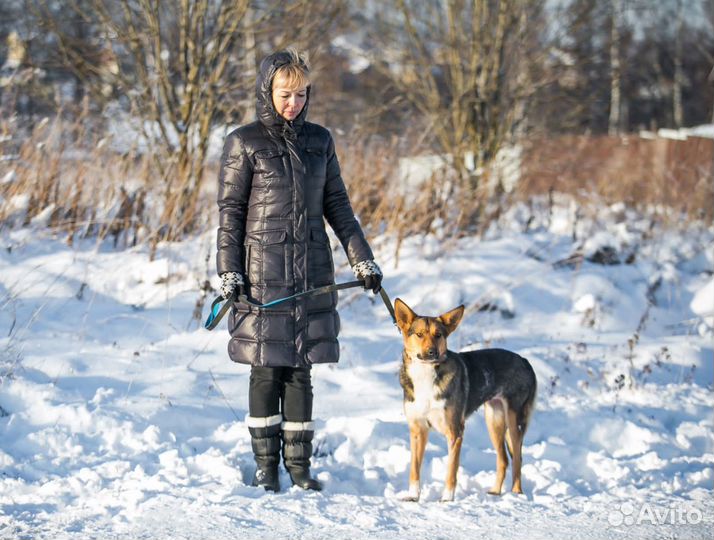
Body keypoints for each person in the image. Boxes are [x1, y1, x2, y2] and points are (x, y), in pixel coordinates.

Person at [215, 49, 383, 492]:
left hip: (310, 270)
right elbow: (231, 212)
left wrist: (361, 258)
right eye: (286, 94)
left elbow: (338, 207)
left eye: (301, 94)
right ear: (267, 92)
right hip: (261, 271)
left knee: (301, 367)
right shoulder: (244, 141)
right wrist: (230, 272)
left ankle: (300, 466)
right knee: (266, 367)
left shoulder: (320, 141)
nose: (294, 103)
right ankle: (266, 466)